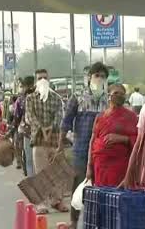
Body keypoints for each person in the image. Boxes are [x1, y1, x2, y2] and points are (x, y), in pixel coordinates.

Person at [60, 62, 110, 227]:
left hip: (103, 150)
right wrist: (60, 144)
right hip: (81, 148)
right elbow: (66, 120)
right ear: (89, 78)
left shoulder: (109, 98)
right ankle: (74, 220)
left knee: (101, 184)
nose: (99, 79)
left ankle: (96, 221)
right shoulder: (78, 96)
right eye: (97, 76)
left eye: (103, 77)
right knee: (80, 183)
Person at [25, 74, 67, 214]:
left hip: (54, 139)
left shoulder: (56, 98)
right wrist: (42, 129)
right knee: (40, 172)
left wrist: (50, 128)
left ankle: (57, 201)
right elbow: (30, 116)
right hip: (38, 140)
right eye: (39, 78)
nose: (43, 80)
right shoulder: (30, 98)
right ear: (36, 81)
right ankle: (41, 203)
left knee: (55, 171)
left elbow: (59, 115)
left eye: (45, 77)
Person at [86, 83, 138, 187]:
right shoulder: (100, 116)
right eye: (116, 93)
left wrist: (122, 139)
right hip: (99, 167)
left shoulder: (131, 117)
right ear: (109, 95)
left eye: (122, 94)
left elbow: (139, 141)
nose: (119, 96)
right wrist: (89, 166)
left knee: (115, 198)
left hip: (119, 168)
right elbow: (93, 141)